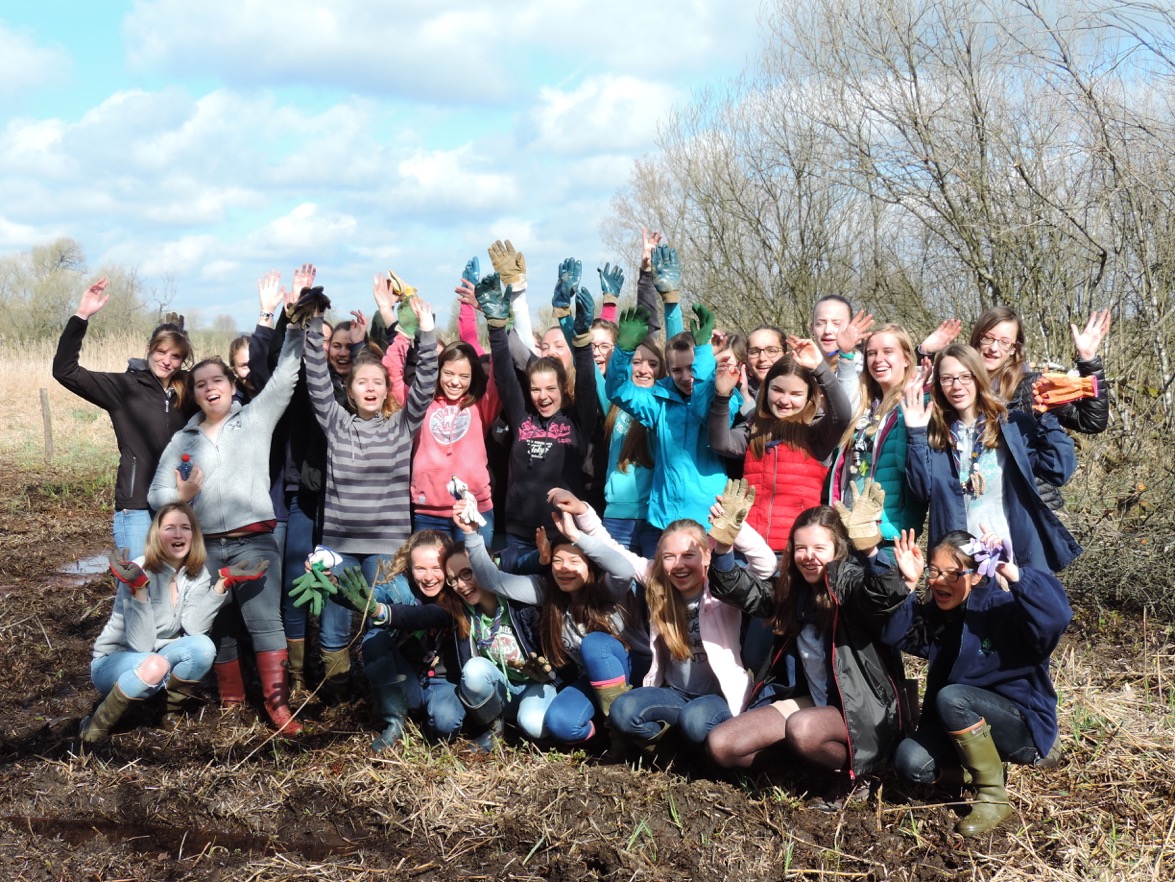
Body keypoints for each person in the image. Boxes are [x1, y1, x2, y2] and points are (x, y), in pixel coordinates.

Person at [148, 306, 306, 734]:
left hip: (253, 542)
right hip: (206, 547)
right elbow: (154, 494)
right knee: (219, 623)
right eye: (200, 385)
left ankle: (277, 706)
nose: (209, 388)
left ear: (232, 385)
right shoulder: (184, 440)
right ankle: (232, 698)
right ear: (194, 395)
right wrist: (179, 498)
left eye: (216, 380)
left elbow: (287, 376)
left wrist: (293, 328)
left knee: (264, 621)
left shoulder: (255, 420)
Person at [704, 502, 911, 802]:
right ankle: (811, 762)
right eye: (801, 547)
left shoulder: (851, 585)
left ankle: (859, 777)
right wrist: (723, 548)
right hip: (812, 704)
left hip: (862, 710)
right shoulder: (793, 591)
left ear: (838, 549)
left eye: (819, 547)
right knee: (721, 745)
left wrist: (871, 551)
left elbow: (880, 595)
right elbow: (742, 590)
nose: (808, 556)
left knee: (802, 729)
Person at [553, 491, 777, 751]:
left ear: (706, 556)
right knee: (623, 711)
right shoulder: (657, 582)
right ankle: (668, 751)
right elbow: (612, 549)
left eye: (688, 555)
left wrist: (735, 530)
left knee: (694, 721)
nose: (678, 564)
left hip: (717, 697)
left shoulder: (722, 588)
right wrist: (582, 512)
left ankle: (698, 748)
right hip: (674, 693)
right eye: (669, 556)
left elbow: (766, 566)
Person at [885, 528, 1072, 836]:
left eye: (953, 574)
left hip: (1024, 728)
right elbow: (899, 635)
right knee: (910, 762)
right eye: (934, 572)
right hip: (964, 721)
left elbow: (1056, 618)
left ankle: (993, 799)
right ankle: (984, 766)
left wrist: (1013, 573)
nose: (940, 582)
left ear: (975, 576)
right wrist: (907, 584)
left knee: (953, 697)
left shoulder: (1004, 607)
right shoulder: (941, 617)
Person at [300, 296, 438, 691]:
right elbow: (315, 378)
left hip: (386, 546)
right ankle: (338, 689)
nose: (371, 388)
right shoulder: (336, 423)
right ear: (351, 390)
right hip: (339, 545)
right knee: (333, 623)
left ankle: (383, 692)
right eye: (363, 382)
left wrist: (426, 335)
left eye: (378, 382)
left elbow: (425, 384)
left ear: (386, 389)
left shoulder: (401, 426)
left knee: (379, 620)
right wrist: (314, 324)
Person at [458, 500, 650, 746]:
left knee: (595, 645)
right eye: (558, 561)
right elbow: (491, 580)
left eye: (574, 561)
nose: (564, 568)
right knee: (561, 724)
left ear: (590, 566)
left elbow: (624, 570)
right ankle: (605, 732)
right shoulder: (547, 591)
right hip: (595, 681)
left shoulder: (606, 590)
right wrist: (471, 533)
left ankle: (623, 740)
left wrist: (576, 536)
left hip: (634, 670)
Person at [83, 504, 262, 743]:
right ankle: (96, 726)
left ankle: (168, 713)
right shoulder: (137, 570)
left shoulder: (196, 573)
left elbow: (195, 628)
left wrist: (222, 585)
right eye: (170, 528)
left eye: (185, 528)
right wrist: (139, 590)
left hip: (156, 660)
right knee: (155, 664)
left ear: (193, 535)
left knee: (204, 648)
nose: (178, 534)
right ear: (157, 535)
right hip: (115, 663)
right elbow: (141, 644)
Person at [903, 343, 1082, 573]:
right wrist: (915, 434)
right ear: (939, 385)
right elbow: (920, 491)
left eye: (965, 377)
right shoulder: (938, 436)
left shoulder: (1010, 424)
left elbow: (1058, 468)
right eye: (947, 378)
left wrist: (1046, 416)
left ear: (979, 378)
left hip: (1012, 563)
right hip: (959, 569)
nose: (956, 386)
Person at [53, 278, 193, 559]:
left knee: (170, 592)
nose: (167, 361)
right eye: (161, 352)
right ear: (149, 348)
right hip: (137, 506)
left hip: (177, 504)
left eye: (176, 356)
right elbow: (65, 371)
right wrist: (81, 316)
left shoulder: (190, 390)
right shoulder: (123, 389)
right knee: (135, 587)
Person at [476, 272, 597, 553]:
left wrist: (582, 344)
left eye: (550, 389)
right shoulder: (522, 418)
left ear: (564, 389)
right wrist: (496, 328)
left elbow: (589, 386)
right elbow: (505, 376)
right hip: (518, 534)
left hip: (562, 533)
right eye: (536, 390)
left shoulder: (577, 423)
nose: (543, 397)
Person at [710, 338, 852, 553]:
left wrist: (820, 369)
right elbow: (721, 443)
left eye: (796, 394)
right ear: (766, 390)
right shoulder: (754, 429)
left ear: (808, 398)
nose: (785, 400)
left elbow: (842, 416)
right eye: (778, 390)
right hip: (752, 550)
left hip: (797, 551)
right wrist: (722, 396)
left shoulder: (816, 433)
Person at [969, 306, 1110, 509]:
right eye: (988, 338)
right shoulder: (959, 385)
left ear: (1013, 349)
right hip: (976, 507)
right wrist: (924, 353)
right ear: (977, 339)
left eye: (1004, 342)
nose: (994, 348)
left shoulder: (1032, 386)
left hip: (1027, 507)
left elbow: (1091, 421)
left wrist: (1088, 360)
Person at [605, 302, 728, 531]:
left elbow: (705, 413)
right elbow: (617, 392)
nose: (685, 376)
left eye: (692, 368)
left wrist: (703, 352)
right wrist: (623, 352)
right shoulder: (658, 400)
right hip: (663, 519)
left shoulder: (723, 392)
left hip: (709, 518)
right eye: (677, 370)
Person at [827, 324, 926, 544]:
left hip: (887, 534)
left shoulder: (916, 402)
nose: (878, 359)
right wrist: (845, 354)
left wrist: (927, 352)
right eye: (872, 353)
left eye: (888, 351)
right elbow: (842, 399)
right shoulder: (866, 407)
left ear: (907, 358)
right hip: (848, 528)